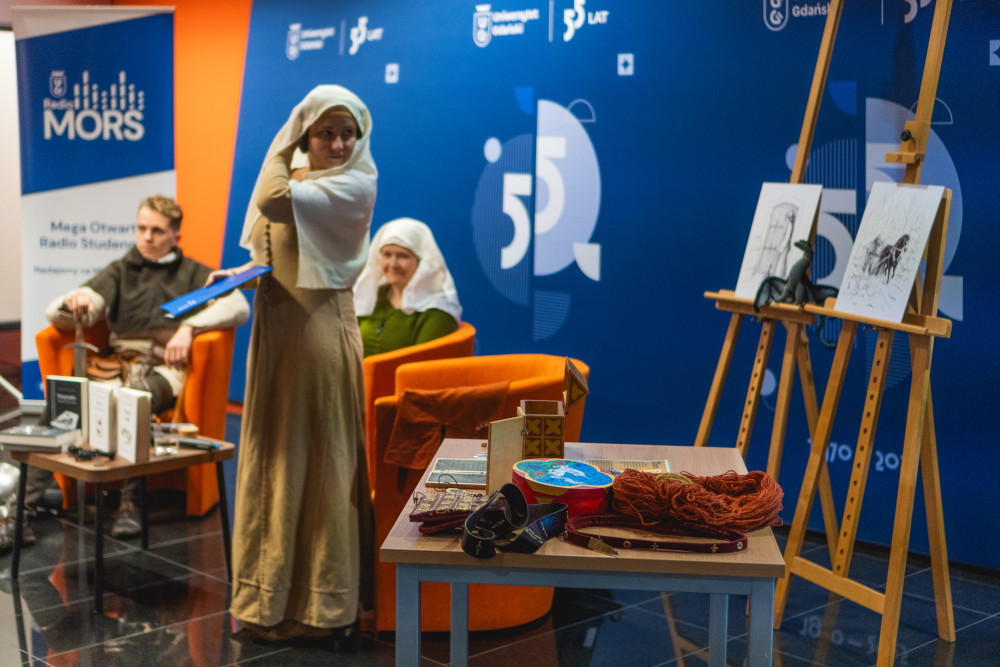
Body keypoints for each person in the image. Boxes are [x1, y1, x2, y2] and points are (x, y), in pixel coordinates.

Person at [0, 195, 250, 551]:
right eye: (141, 228)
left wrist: (189, 328)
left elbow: (238, 306)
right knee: (62, 401)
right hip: (114, 366)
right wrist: (78, 300)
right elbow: (59, 312)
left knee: (136, 398)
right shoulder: (121, 270)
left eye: (157, 231)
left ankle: (131, 503)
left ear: (176, 235)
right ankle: (21, 514)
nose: (147, 237)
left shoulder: (194, 273)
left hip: (163, 369)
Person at [217, 85, 376, 641]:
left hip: (317, 341)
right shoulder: (301, 181)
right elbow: (276, 253)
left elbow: (268, 198)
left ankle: (320, 609)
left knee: (314, 466)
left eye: (347, 133)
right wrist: (238, 276)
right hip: (278, 337)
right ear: (308, 136)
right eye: (325, 133)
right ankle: (267, 603)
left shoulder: (354, 183)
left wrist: (285, 142)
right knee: (272, 465)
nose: (338, 144)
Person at [353, 217, 461, 357]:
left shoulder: (436, 312)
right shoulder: (369, 299)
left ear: (421, 262)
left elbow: (422, 367)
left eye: (403, 256)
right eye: (387, 254)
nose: (393, 264)